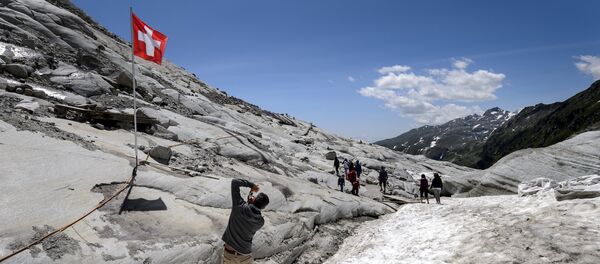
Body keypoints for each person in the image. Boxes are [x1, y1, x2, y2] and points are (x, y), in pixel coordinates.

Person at [222, 178, 270, 264]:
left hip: (230, 254)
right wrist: (250, 203)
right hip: (245, 255)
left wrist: (252, 185)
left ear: (254, 199)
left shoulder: (239, 206)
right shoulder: (260, 222)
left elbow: (235, 182)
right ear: (263, 208)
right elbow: (253, 212)